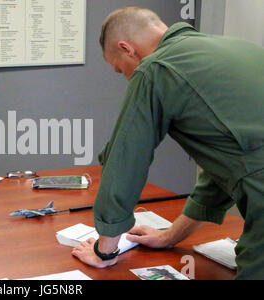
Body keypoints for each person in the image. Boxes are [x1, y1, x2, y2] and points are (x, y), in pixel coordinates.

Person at [71, 6, 264, 279]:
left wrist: (105, 252)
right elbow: (231, 163)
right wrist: (170, 236)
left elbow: (125, 162)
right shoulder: (233, 48)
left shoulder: (155, 69)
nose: (126, 77)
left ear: (127, 49)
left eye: (120, 70)